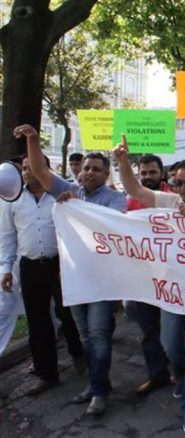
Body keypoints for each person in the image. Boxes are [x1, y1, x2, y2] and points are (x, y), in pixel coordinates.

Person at [114, 139, 185, 435]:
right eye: (178, 184)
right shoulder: (169, 202)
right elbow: (135, 190)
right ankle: (180, 375)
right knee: (171, 346)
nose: (184, 190)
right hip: (172, 295)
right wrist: (124, 163)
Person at [17, 124, 126, 417]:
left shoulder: (114, 199)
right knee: (86, 336)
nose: (89, 172)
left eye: (96, 169)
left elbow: (109, 225)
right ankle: (95, 383)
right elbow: (40, 172)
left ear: (105, 175)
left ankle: (100, 392)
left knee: (99, 335)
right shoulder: (70, 190)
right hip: (75, 280)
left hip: (102, 282)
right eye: (86, 167)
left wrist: (77, 206)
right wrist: (32, 140)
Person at [1, 154, 85, 395]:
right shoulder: (11, 199)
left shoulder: (62, 193)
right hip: (30, 267)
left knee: (67, 314)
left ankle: (78, 353)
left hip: (60, 265)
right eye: (24, 168)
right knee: (37, 322)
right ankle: (46, 373)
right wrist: (6, 270)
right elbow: (7, 238)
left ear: (45, 169)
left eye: (33, 167)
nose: (27, 172)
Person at [124, 154, 172, 396]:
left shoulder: (175, 197)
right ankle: (157, 374)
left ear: (161, 174)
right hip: (143, 277)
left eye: (152, 172)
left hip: (174, 276)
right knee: (149, 331)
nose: (147, 177)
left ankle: (179, 369)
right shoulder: (129, 202)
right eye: (143, 173)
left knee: (175, 330)